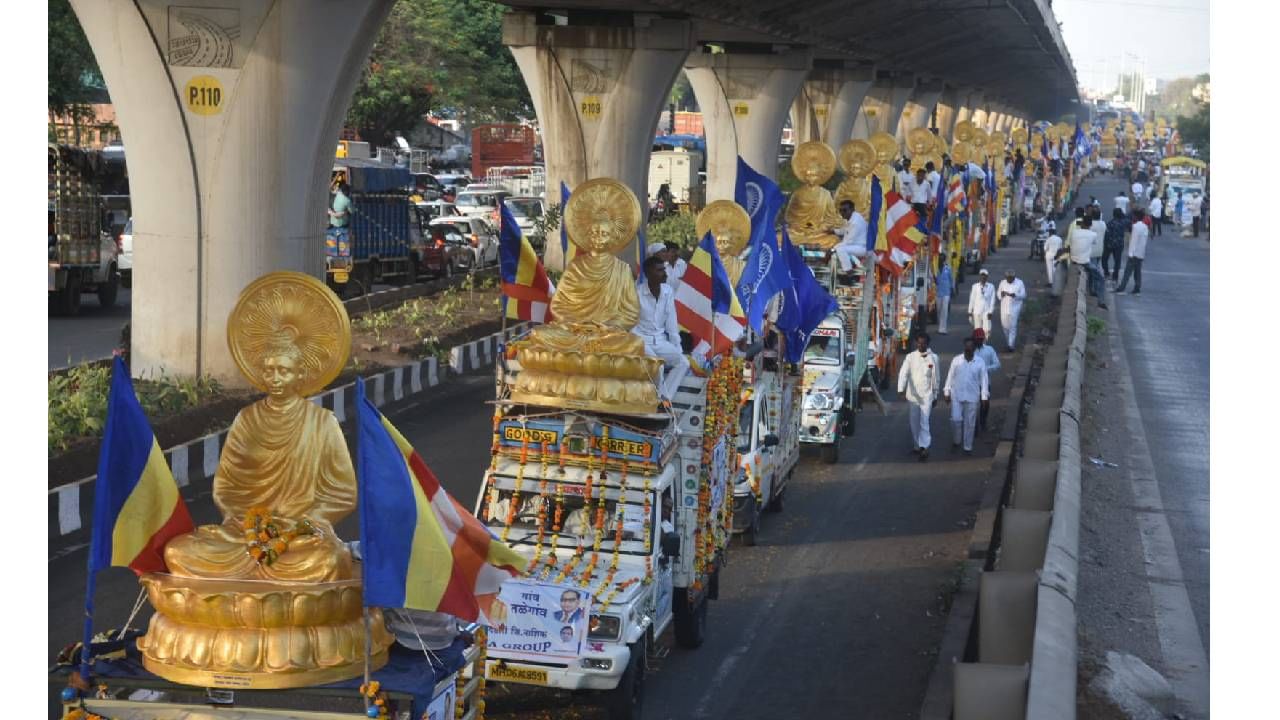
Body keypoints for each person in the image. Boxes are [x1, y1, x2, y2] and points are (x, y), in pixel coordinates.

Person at [634, 255, 690, 400]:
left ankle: (664, 399)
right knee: (657, 366)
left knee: (683, 362)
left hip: (660, 341)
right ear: (648, 273)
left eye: (663, 269)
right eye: (659, 270)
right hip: (641, 341)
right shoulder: (637, 293)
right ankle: (654, 400)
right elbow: (630, 325)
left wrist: (677, 349)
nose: (665, 274)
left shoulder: (668, 291)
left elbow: (672, 324)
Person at [898, 333, 941, 461]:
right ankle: (917, 446)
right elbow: (903, 374)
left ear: (927, 344)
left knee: (924, 421)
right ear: (916, 343)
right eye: (919, 343)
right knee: (914, 422)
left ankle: (924, 447)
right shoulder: (910, 357)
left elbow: (936, 378)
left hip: (927, 395)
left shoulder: (934, 358)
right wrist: (901, 389)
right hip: (913, 397)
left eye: (924, 343)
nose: (921, 345)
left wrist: (935, 395)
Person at [944, 338, 989, 455]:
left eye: (971, 347)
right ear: (964, 347)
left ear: (974, 349)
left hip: (972, 396)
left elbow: (984, 380)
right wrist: (947, 391)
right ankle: (956, 440)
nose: (968, 349)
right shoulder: (956, 360)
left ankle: (967, 447)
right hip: (957, 395)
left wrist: (984, 396)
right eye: (966, 346)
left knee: (970, 423)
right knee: (955, 419)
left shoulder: (980, 362)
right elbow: (950, 376)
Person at [1065, 214, 1107, 309]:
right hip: (1085, 262)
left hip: (1074, 260)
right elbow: (1094, 242)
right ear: (1090, 225)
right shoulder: (1093, 234)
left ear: (1082, 223)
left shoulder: (1074, 232)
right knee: (1101, 279)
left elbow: (1071, 242)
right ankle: (1101, 301)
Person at [971, 329, 1001, 430]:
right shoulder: (970, 350)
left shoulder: (989, 350)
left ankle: (983, 421)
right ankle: (973, 425)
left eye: (981, 339)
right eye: (977, 339)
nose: (979, 341)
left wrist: (986, 369)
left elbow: (997, 364)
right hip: (972, 382)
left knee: (985, 403)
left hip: (985, 382)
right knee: (973, 404)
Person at [1115, 208, 1149, 295]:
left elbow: (1134, 241)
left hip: (1134, 253)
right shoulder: (1145, 227)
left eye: (1134, 216)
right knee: (1138, 272)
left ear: (1136, 217)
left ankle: (1122, 288)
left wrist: (1130, 253)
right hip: (1141, 253)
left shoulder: (1135, 227)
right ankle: (1137, 288)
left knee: (1127, 272)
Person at [830, 199, 869, 274]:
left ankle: (848, 271)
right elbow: (844, 230)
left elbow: (848, 242)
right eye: (840, 210)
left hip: (861, 247)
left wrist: (832, 249)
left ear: (852, 210)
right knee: (838, 248)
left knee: (841, 249)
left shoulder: (855, 222)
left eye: (844, 210)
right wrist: (833, 231)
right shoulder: (852, 218)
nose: (842, 213)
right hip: (854, 245)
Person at [996, 269, 1026, 351]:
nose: (1009, 279)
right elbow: (998, 293)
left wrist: (1015, 295)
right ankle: (1009, 343)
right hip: (1004, 308)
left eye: (1011, 278)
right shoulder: (1002, 283)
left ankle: (1010, 346)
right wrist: (1001, 294)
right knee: (1005, 326)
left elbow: (1023, 295)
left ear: (1014, 277)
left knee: (1013, 326)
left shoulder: (1020, 283)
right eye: (1007, 278)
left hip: (1015, 308)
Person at [1102, 208, 1128, 282]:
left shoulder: (1110, 223)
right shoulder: (1123, 223)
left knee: (1104, 259)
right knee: (1117, 261)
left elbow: (1106, 235)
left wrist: (1105, 243)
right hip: (1119, 245)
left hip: (1109, 244)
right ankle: (1115, 276)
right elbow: (1128, 220)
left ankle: (1106, 273)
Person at [968, 268, 996, 334]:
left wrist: (991, 311)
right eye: (981, 275)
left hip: (987, 311)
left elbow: (993, 300)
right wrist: (969, 311)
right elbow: (972, 299)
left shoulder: (991, 286)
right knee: (978, 331)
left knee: (987, 330)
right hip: (977, 311)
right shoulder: (975, 286)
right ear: (979, 276)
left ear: (987, 277)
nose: (983, 277)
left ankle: (984, 343)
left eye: (985, 275)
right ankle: (980, 344)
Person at [935, 254, 953, 334]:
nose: (941, 260)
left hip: (946, 292)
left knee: (944, 310)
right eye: (940, 259)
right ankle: (940, 326)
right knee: (939, 310)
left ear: (944, 260)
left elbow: (951, 279)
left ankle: (943, 329)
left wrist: (952, 289)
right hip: (938, 292)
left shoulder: (948, 269)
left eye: (942, 259)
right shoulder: (935, 269)